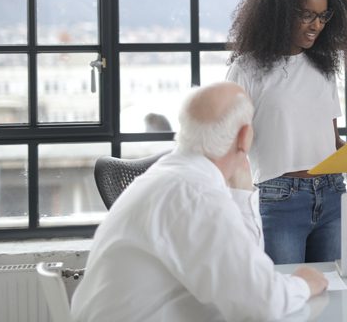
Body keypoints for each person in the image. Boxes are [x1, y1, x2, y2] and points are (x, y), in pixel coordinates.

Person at [71, 82, 328, 321]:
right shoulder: (195, 194)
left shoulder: (172, 176)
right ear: (245, 137)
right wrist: (305, 284)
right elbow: (260, 304)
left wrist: (242, 193)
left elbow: (244, 270)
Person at [225, 0, 347, 264]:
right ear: (280, 12)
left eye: (323, 16)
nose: (316, 25)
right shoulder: (246, 69)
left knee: (332, 295)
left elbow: (331, 141)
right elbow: (229, 147)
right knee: (286, 299)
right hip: (278, 199)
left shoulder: (323, 67)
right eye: (306, 15)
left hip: (332, 193)